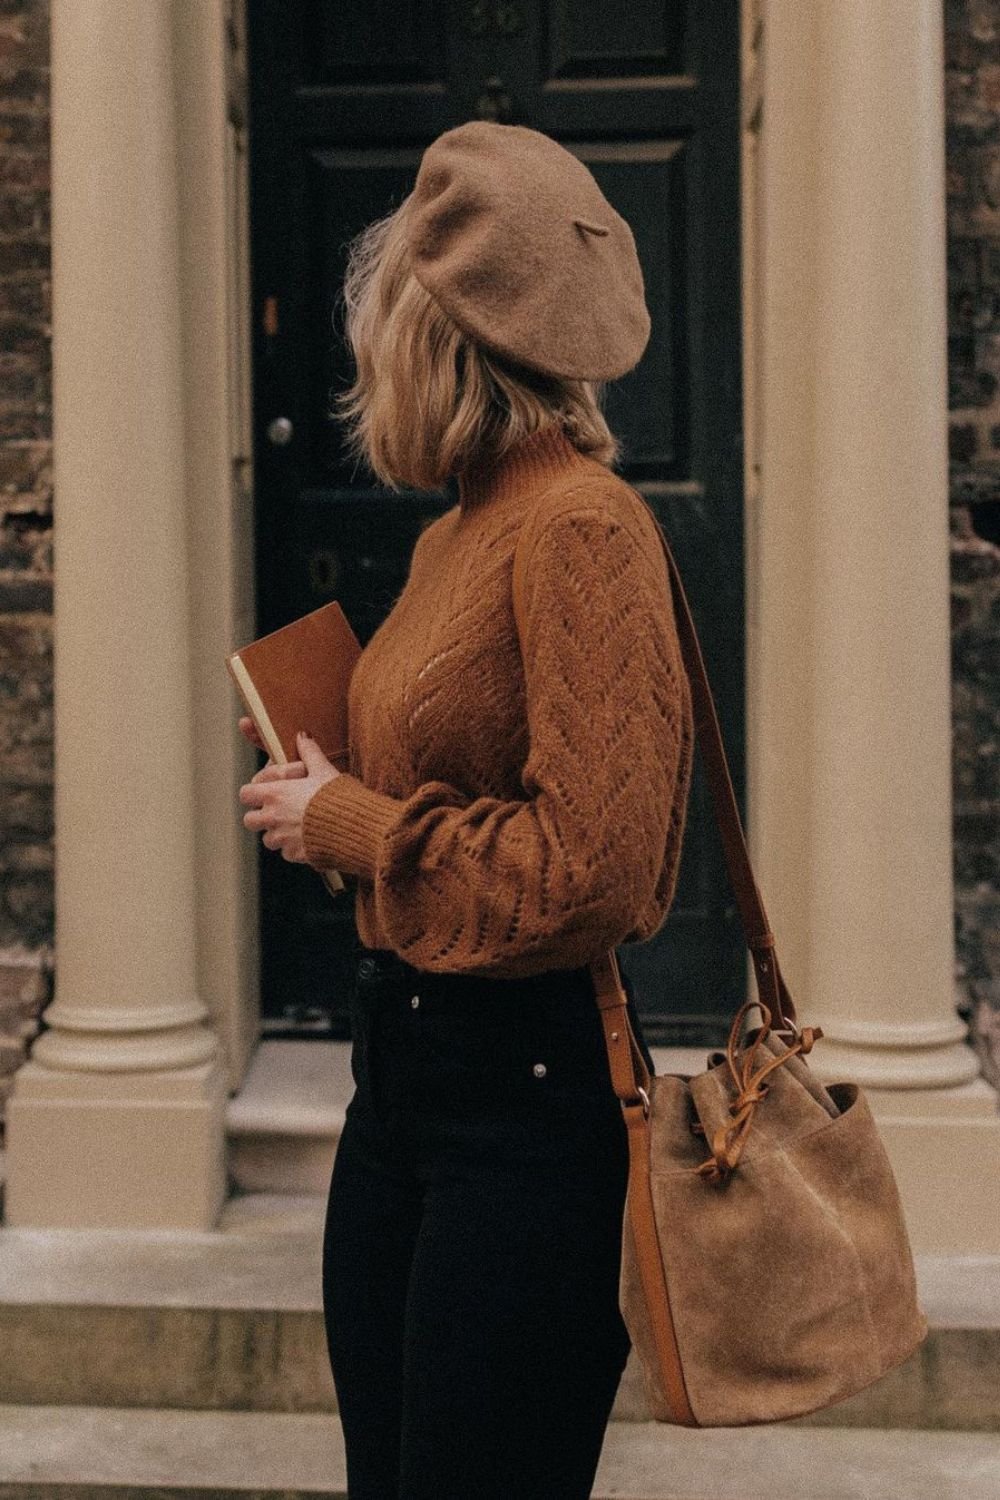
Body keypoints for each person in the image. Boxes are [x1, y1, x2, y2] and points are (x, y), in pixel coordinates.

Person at [237, 120, 695, 1500]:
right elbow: (456, 782)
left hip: (527, 1108)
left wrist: (353, 825)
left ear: (429, 340)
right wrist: (323, 782)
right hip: (401, 1082)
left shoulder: (581, 527)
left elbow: (598, 871)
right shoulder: (455, 531)